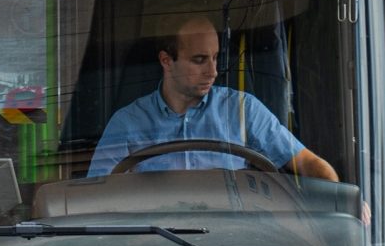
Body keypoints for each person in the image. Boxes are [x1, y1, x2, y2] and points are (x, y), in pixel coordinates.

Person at [84, 15, 340, 181]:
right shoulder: (128, 123)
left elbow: (307, 162)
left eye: (215, 58)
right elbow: (95, 194)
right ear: (166, 60)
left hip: (235, 245)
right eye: (199, 60)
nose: (213, 71)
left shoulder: (243, 110)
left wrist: (342, 200)